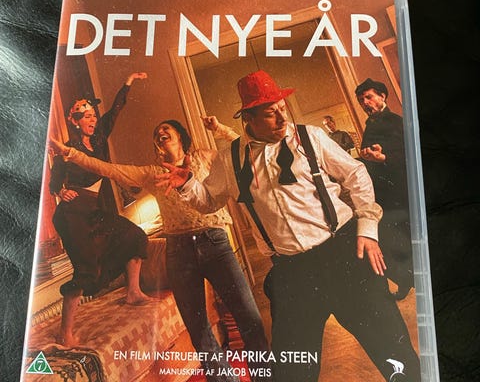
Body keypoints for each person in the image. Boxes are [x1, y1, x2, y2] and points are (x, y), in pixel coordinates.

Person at [157, 70, 421, 382]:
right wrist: (188, 183)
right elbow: (209, 201)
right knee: (292, 372)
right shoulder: (231, 157)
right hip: (292, 273)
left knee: (394, 352)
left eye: (282, 108)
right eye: (271, 113)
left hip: (345, 255)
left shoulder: (311, 137)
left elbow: (357, 174)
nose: (283, 118)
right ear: (249, 118)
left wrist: (367, 228)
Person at [50, 118, 270, 382]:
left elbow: (242, 150)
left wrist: (219, 129)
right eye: (157, 132)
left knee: (249, 318)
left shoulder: (205, 157)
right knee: (199, 331)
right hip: (178, 251)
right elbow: (109, 169)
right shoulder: (153, 173)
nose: (161, 132)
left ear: (180, 136)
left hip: (215, 243)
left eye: (167, 128)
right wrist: (69, 153)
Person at [49, 72, 151, 347]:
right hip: (72, 215)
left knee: (135, 236)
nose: (92, 120)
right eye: (86, 117)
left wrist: (128, 81)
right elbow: (54, 182)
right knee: (86, 272)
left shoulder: (99, 138)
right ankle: (65, 333)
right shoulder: (68, 150)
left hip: (93, 210)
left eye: (93, 115)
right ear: (75, 121)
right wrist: (60, 192)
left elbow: (116, 109)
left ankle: (133, 292)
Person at [355, 78, 414, 299]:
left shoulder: (395, 121)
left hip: (400, 193)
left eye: (369, 97)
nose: (365, 103)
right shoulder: (371, 124)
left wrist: (384, 158)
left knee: (405, 241)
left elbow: (409, 155)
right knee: (393, 242)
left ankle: (412, 282)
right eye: (361, 100)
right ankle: (405, 282)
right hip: (382, 196)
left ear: (382, 96)